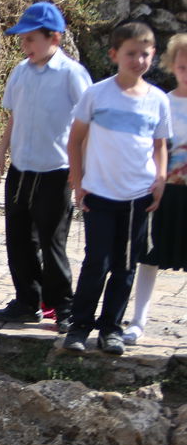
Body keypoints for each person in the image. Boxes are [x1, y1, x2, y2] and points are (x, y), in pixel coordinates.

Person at [63, 21, 170, 354]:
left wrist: (160, 179)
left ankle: (111, 327)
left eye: (144, 54)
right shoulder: (97, 94)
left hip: (137, 197)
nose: (138, 60)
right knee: (97, 262)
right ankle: (79, 326)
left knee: (125, 267)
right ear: (114, 55)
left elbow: (160, 145)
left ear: (153, 56)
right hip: (99, 193)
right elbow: (76, 140)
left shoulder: (157, 100)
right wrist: (78, 182)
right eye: (130, 53)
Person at [0, 2, 92, 330]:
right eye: (23, 40)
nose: (25, 46)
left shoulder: (72, 75)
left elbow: (87, 123)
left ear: (54, 39)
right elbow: (14, 116)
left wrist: (81, 172)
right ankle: (26, 300)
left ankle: (62, 305)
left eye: (31, 39)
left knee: (52, 239)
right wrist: (1, 153)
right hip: (22, 168)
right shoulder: (20, 72)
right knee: (19, 237)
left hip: (56, 169)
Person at [125, 33, 187, 344]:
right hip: (162, 190)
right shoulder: (163, 101)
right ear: (172, 66)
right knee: (148, 257)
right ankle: (137, 321)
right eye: (183, 67)